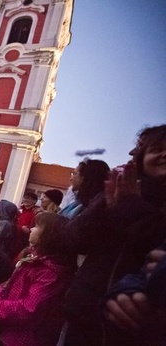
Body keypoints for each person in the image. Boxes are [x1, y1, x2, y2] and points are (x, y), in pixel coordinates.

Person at [58, 139, 165, 345]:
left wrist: (132, 206)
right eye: (155, 148)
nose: (133, 152)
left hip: (133, 325)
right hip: (85, 309)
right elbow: (74, 239)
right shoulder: (112, 192)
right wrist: (105, 207)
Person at [0, 213, 76, 346]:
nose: (32, 228)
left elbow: (30, 308)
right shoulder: (34, 259)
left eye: (37, 226)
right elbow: (7, 284)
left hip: (19, 338)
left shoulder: (50, 272)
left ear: (50, 236)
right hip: (4, 324)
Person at [11, 191, 42, 258]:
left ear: (34, 201)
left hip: (24, 240)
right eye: (24, 197)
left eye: (28, 198)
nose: (25, 199)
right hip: (14, 237)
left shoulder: (36, 212)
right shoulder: (19, 210)